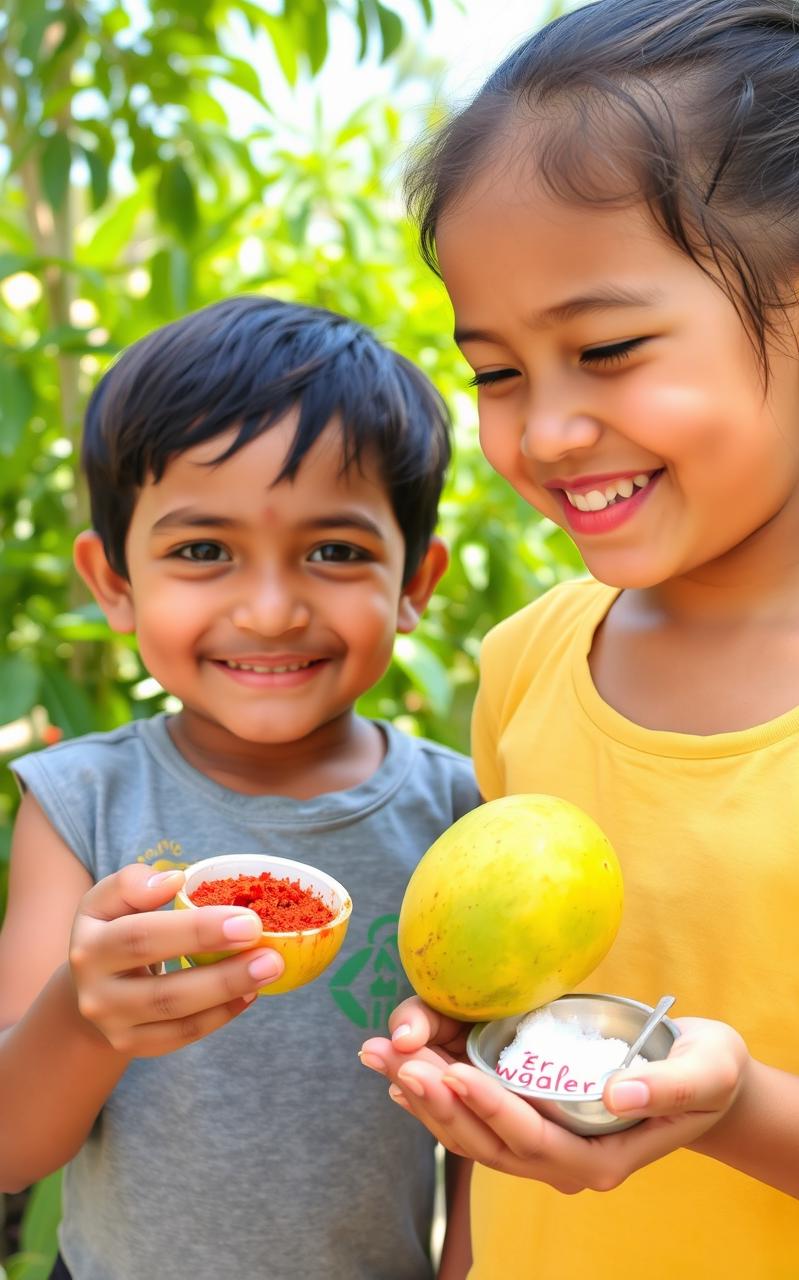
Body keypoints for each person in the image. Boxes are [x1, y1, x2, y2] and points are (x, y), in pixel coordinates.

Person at [358, 1, 799, 1275]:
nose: (547, 431)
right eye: (498, 371)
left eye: (606, 349)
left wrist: (732, 1109)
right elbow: (508, 1023)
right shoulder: (525, 664)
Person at [0, 295, 481, 1280]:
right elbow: (11, 1142)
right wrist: (87, 1014)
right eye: (203, 549)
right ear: (114, 581)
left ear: (414, 581)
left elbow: (481, 1119)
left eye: (336, 551)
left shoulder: (458, 816)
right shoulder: (77, 799)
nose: (268, 609)